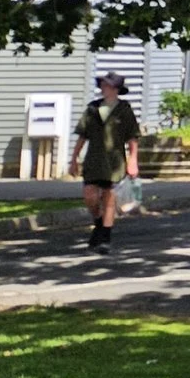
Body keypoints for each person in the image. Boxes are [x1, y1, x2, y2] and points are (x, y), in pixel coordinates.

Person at [67, 73, 141, 255]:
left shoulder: (124, 110)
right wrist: (74, 158)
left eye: (107, 85)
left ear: (115, 89)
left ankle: (104, 238)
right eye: (103, 85)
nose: (103, 88)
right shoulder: (92, 109)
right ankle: (99, 224)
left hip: (114, 161)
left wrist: (133, 161)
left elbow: (132, 138)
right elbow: (82, 135)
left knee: (109, 198)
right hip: (93, 160)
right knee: (90, 196)